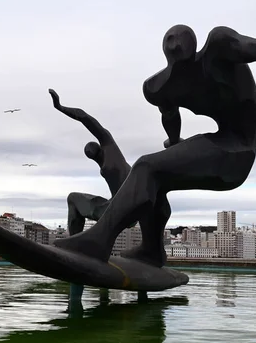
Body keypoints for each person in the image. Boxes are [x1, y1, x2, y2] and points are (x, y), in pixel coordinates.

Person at [54, 24, 256, 263]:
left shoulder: (219, 47)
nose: (175, 43)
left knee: (146, 166)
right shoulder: (159, 86)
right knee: (155, 179)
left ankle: (98, 241)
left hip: (238, 149)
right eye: (169, 39)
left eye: (180, 38)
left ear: (193, 42)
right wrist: (176, 143)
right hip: (219, 144)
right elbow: (170, 115)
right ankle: (152, 250)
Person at [50, 89, 171, 266]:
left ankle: (75, 244)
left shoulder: (109, 147)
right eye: (89, 154)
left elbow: (86, 118)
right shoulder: (104, 164)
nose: (91, 154)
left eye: (91, 150)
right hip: (118, 206)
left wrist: (60, 107)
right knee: (74, 199)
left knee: (72, 198)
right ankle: (75, 241)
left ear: (98, 147)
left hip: (124, 206)